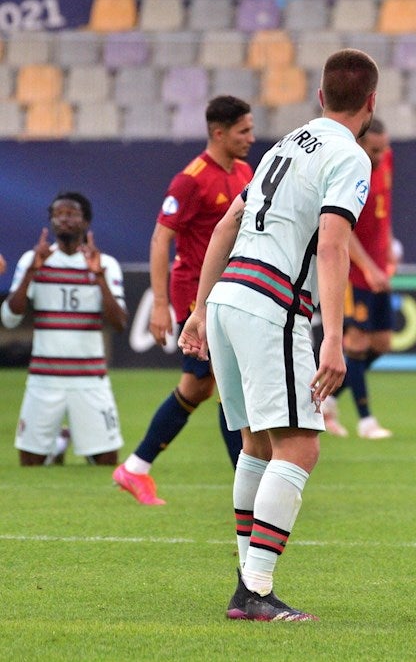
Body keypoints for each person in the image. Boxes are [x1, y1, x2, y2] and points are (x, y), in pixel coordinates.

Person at [179, 48, 379, 622]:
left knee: (257, 446)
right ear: (371, 102)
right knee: (300, 446)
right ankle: (256, 589)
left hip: (227, 298)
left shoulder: (284, 145)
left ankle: (247, 583)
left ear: (320, 97)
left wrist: (198, 311)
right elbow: (335, 244)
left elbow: (226, 223)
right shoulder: (350, 156)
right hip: (272, 307)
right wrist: (333, 339)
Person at [113, 96, 256, 506]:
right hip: (196, 297)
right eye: (243, 130)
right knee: (227, 385)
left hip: (230, 292)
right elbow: (162, 237)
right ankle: (247, 491)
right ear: (218, 132)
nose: (251, 137)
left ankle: (136, 468)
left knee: (199, 387)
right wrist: (160, 303)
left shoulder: (244, 171)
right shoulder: (191, 179)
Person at [3, 193, 127, 466]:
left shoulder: (105, 264)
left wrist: (99, 278)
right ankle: (58, 443)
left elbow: (119, 323)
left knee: (106, 461)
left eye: (72, 213)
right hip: (44, 377)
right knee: (30, 464)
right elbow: (10, 318)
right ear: (51, 221)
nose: (64, 219)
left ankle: (64, 440)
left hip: (90, 377)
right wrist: (30, 273)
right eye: (59, 214)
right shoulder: (33, 259)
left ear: (86, 222)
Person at [320, 117, 396, 440]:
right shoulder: (350, 171)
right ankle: (366, 421)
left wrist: (389, 251)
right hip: (353, 273)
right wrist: (368, 267)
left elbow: (385, 212)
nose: (380, 155)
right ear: (360, 144)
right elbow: (343, 232)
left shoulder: (385, 160)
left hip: (379, 267)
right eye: (374, 150)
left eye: (384, 149)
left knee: (381, 343)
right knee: (357, 343)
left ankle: (328, 401)